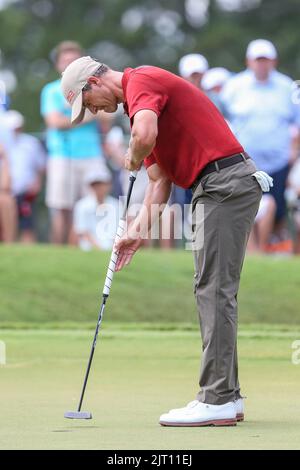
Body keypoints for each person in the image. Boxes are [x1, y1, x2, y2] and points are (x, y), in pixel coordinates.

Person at [61, 57, 272, 427]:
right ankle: (229, 397)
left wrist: (132, 155)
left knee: (213, 289)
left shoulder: (140, 81)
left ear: (94, 81)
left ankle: (217, 397)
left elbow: (143, 138)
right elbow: (159, 183)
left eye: (87, 103)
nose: (92, 111)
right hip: (215, 187)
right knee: (213, 288)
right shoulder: (137, 106)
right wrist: (136, 232)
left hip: (224, 184)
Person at [222, 39, 300, 231]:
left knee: (279, 210)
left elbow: (297, 122)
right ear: (249, 61)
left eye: (266, 60)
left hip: (279, 163)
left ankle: (274, 251)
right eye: (258, 60)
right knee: (244, 208)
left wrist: (293, 151)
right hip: (244, 164)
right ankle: (250, 251)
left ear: (274, 61)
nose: (262, 64)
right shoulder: (233, 86)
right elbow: (222, 121)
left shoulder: (287, 86)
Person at [41, 41, 105, 244]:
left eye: (73, 60)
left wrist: (75, 116)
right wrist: (88, 113)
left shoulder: (94, 87)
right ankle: (59, 253)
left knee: (94, 207)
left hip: (92, 154)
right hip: (62, 155)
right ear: (58, 64)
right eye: (65, 60)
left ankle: (91, 250)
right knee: (62, 208)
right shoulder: (51, 91)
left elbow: (108, 116)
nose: (69, 64)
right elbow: (55, 122)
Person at [3, 110, 46, 243]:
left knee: (27, 226)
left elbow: (41, 166)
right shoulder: (3, 145)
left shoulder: (31, 143)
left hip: (25, 192)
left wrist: (37, 183)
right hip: (6, 191)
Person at [73, 165, 119, 251]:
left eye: (101, 184)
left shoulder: (117, 205)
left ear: (108, 185)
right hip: (88, 248)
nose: (98, 187)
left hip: (112, 247)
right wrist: (98, 247)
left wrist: (114, 247)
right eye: (95, 185)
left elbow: (118, 232)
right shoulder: (81, 205)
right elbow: (83, 232)